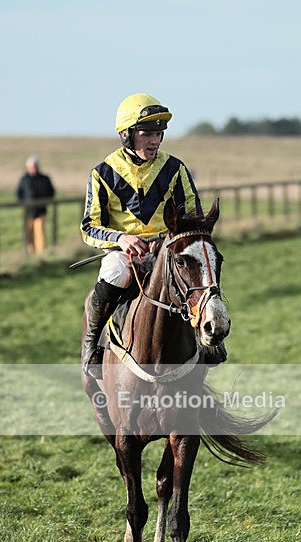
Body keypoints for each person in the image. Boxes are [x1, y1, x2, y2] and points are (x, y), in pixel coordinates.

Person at [80, 92, 225, 374]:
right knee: (111, 273)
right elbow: (89, 227)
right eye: (147, 133)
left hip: (169, 248)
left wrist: (174, 240)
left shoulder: (174, 168)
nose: (154, 140)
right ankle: (91, 348)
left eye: (159, 134)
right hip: (126, 255)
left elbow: (193, 216)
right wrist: (120, 239)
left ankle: (210, 341)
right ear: (126, 134)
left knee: (201, 269)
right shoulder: (103, 173)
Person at [16, 156, 55, 254]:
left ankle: (40, 253)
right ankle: (30, 252)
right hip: (28, 211)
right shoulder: (24, 179)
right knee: (28, 233)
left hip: (40, 211)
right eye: (31, 166)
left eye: (34, 166)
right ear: (27, 167)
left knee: (40, 233)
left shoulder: (44, 179)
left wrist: (45, 202)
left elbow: (51, 192)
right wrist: (23, 203)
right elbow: (19, 193)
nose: (33, 168)